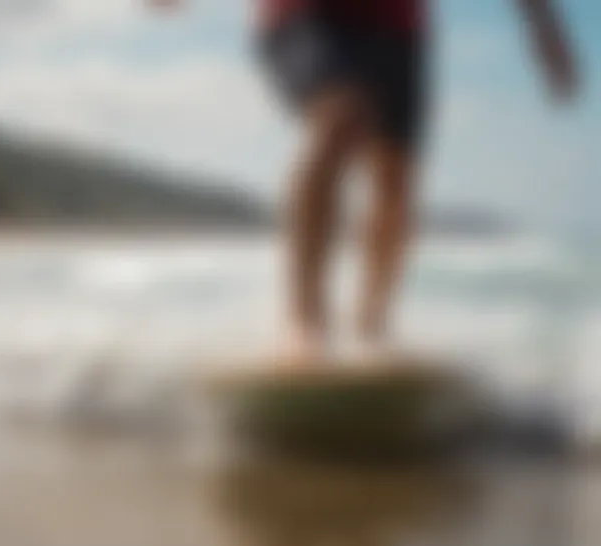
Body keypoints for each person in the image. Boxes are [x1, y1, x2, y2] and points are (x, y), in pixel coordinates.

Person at [148, 0, 579, 364]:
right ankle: (304, 324)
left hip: (397, 29)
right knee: (341, 117)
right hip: (306, 17)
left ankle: (372, 327)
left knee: (395, 183)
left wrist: (545, 29)